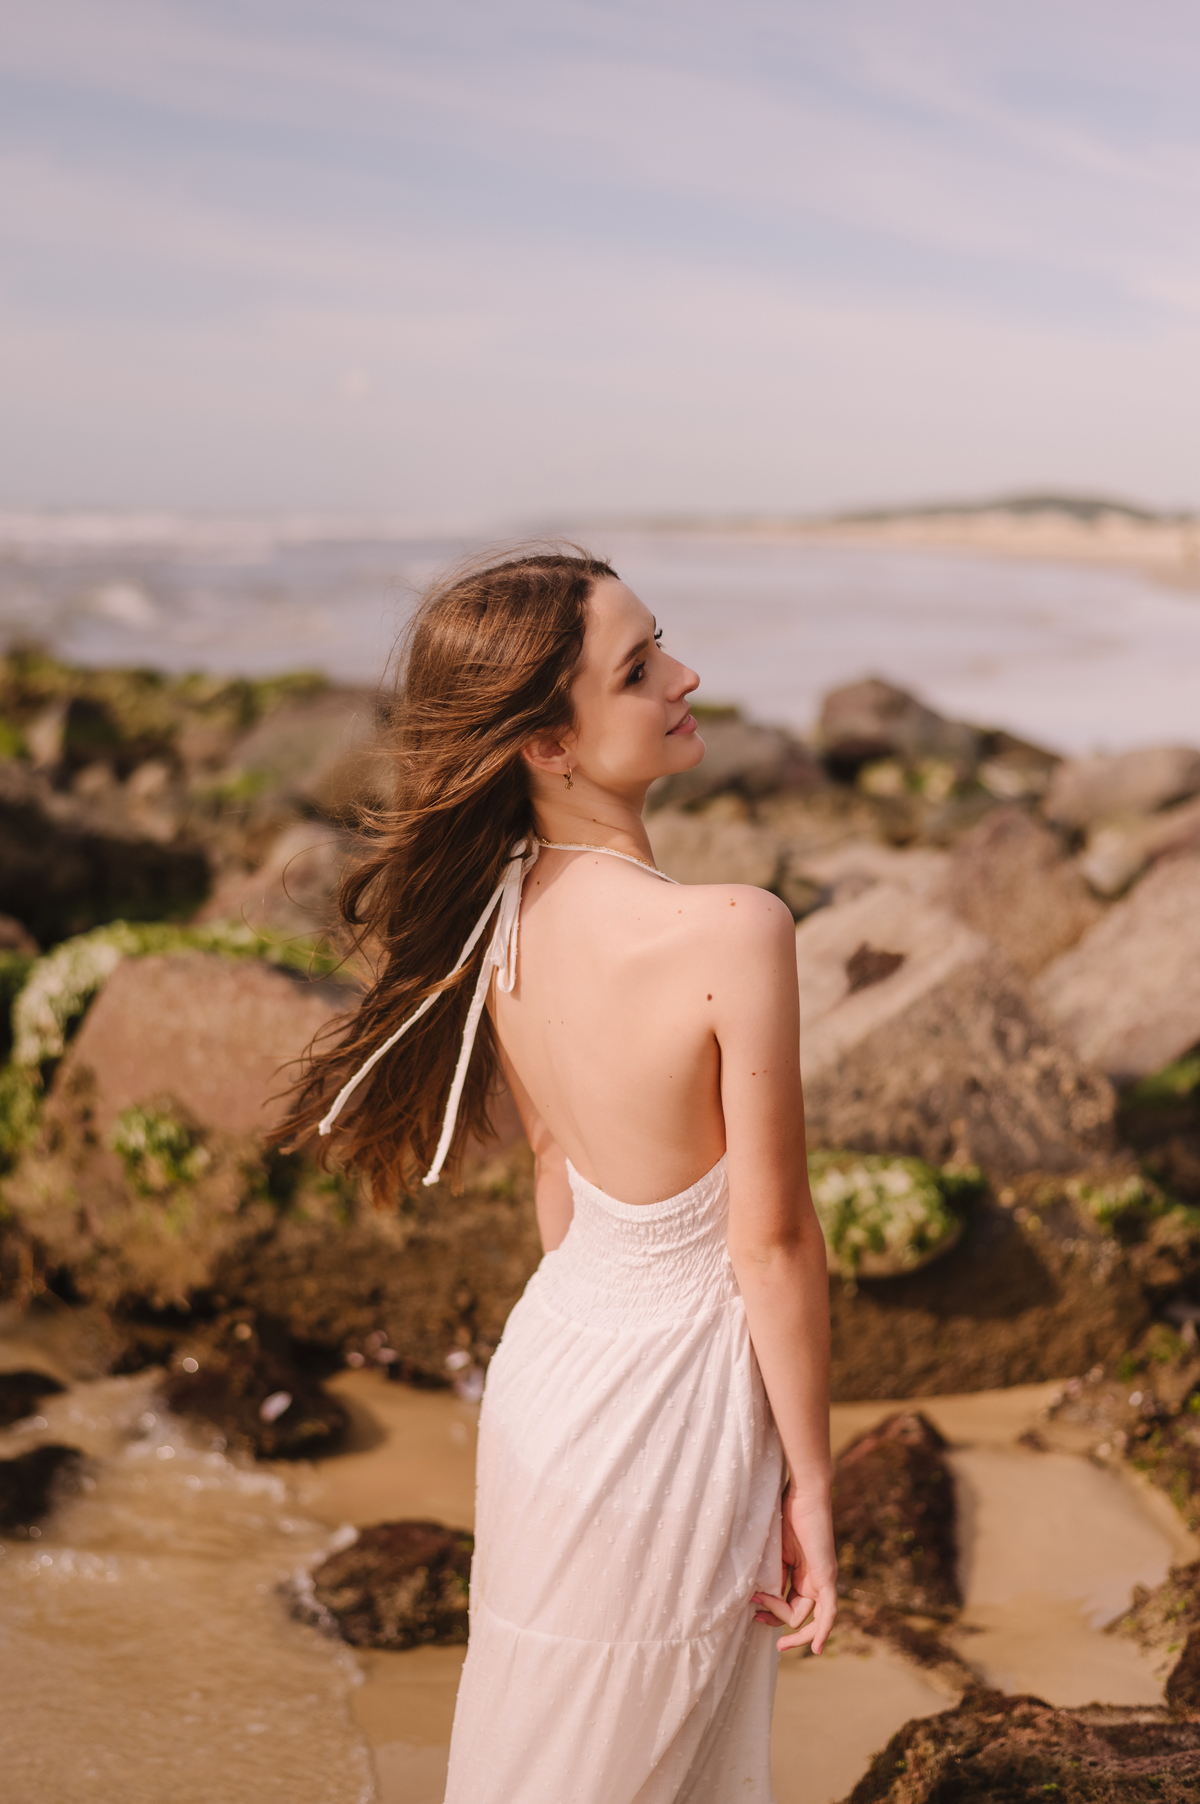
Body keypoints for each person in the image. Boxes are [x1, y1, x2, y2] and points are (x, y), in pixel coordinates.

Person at [281, 549, 836, 1803]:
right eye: (641, 669)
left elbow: (554, 1166)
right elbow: (774, 1243)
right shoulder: (734, 930)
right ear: (547, 741)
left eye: (665, 646)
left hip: (557, 1377)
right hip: (669, 1406)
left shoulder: (500, 912)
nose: (688, 676)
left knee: (546, 1752)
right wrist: (811, 1479)